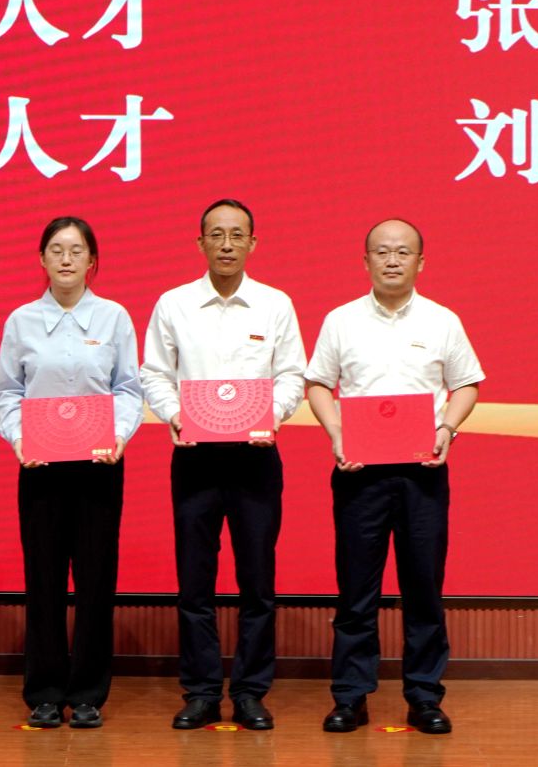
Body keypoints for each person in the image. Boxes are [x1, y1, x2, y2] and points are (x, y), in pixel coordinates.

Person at [304, 218, 483, 736]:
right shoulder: (341, 320)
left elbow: (467, 384)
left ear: (420, 262)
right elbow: (317, 384)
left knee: (423, 589)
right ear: (365, 261)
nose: (392, 260)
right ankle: (350, 696)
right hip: (359, 473)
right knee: (356, 591)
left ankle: (424, 696)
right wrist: (337, 433)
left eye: (403, 252)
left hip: (422, 473)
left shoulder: (442, 320)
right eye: (381, 251)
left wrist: (448, 428)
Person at [139, 198, 307, 731]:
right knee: (195, 583)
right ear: (201, 243)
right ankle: (202, 692)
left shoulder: (275, 304)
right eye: (216, 234)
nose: (227, 244)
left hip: (256, 458)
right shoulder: (174, 304)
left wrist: (269, 418)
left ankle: (252, 692)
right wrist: (175, 414)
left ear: (253, 243)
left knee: (257, 583)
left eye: (237, 235)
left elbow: (292, 374)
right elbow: (153, 373)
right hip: (196, 459)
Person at [0, 216, 143, 730]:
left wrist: (118, 437)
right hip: (41, 467)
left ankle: (89, 693)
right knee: (44, 580)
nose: (66, 259)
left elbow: (128, 389)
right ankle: (45, 692)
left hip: (100, 466)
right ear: (41, 259)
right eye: (56, 250)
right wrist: (19, 440)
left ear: (92, 261)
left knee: (97, 581)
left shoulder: (114, 317)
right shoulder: (21, 321)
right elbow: (7, 391)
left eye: (76, 251)